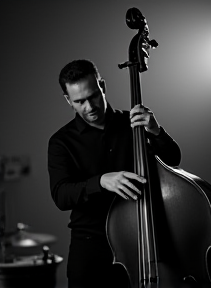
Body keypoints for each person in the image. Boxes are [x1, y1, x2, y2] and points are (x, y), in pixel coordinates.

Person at [47, 59, 181, 288]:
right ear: (68, 100)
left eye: (93, 96)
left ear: (102, 86)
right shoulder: (61, 142)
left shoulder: (135, 125)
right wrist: (100, 182)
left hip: (142, 241)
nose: (89, 107)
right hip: (91, 249)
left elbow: (172, 161)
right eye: (79, 101)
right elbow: (61, 195)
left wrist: (156, 131)